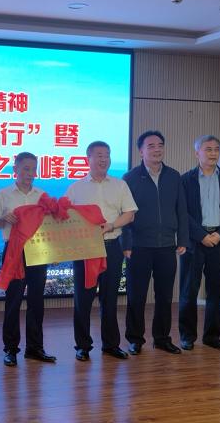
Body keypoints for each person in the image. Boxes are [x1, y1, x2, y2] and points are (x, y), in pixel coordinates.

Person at [66, 141, 137, 361]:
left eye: (107, 155)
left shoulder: (120, 185)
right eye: (99, 155)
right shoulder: (76, 188)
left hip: (112, 246)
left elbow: (130, 214)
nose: (103, 159)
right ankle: (82, 346)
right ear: (88, 158)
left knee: (110, 298)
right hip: (86, 250)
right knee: (83, 299)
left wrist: (112, 225)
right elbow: (64, 217)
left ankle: (111, 345)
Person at [122, 130, 188, 355]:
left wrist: (183, 239)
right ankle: (135, 339)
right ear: (141, 151)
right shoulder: (130, 178)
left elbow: (182, 210)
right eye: (151, 146)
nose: (157, 149)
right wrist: (126, 244)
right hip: (138, 247)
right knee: (136, 296)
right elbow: (124, 214)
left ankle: (162, 338)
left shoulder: (174, 176)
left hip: (167, 246)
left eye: (160, 145)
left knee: (165, 296)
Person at [178, 135, 220, 351]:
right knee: (189, 290)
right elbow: (182, 213)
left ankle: (212, 336)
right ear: (197, 153)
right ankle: (187, 336)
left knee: (215, 291)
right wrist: (201, 235)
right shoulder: (185, 180)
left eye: (216, 149)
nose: (213, 153)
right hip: (194, 242)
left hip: (219, 241)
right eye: (208, 149)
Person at [0, 152, 55, 367]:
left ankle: (35, 348)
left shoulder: (42, 195)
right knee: (13, 301)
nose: (30, 173)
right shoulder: (4, 194)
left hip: (38, 250)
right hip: (14, 252)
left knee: (37, 301)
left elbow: (50, 225)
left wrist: (55, 251)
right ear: (15, 170)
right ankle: (10, 349)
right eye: (26, 169)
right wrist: (4, 218)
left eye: (33, 169)